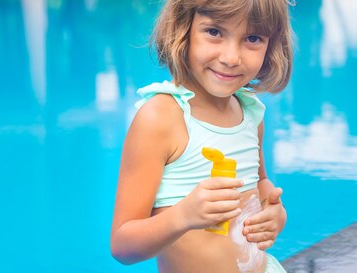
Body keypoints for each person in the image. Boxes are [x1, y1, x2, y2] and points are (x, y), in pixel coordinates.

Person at [110, 0, 293, 272]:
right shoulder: (160, 119)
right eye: (215, 32)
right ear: (183, 28)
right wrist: (183, 216)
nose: (231, 57)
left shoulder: (250, 113)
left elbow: (261, 184)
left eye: (253, 38)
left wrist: (275, 214)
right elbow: (123, 246)